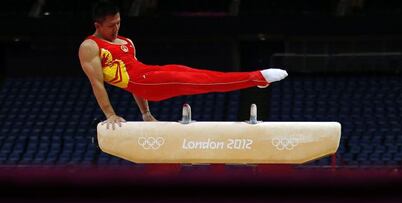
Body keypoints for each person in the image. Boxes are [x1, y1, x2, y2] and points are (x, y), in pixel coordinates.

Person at [79, 1, 288, 128]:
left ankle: (256, 79)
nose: (116, 28)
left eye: (119, 22)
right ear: (97, 25)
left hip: (149, 76)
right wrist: (110, 114)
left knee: (195, 73)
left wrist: (146, 114)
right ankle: (257, 77)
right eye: (111, 25)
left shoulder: (126, 42)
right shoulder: (90, 46)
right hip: (145, 82)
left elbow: (136, 82)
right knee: (199, 83)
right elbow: (97, 84)